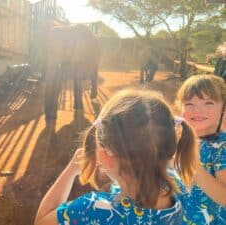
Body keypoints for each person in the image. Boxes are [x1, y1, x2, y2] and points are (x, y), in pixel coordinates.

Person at [35, 89, 201, 225]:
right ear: (171, 147)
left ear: (105, 155)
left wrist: (71, 171)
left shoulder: (93, 209)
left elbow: (41, 221)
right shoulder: (181, 186)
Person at [175, 74, 226, 224]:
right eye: (189, 104)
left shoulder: (221, 146)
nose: (198, 110)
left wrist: (193, 166)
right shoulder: (182, 140)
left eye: (208, 103)